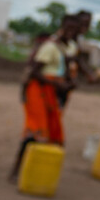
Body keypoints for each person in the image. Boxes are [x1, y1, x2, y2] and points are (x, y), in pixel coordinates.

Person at [7, 15, 81, 182]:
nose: (70, 33)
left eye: (74, 30)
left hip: (53, 93)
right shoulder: (50, 46)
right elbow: (34, 71)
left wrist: (69, 83)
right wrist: (56, 84)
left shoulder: (68, 48)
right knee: (35, 131)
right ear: (62, 27)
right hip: (40, 90)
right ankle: (16, 170)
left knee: (50, 131)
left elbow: (68, 69)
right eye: (68, 29)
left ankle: (33, 171)